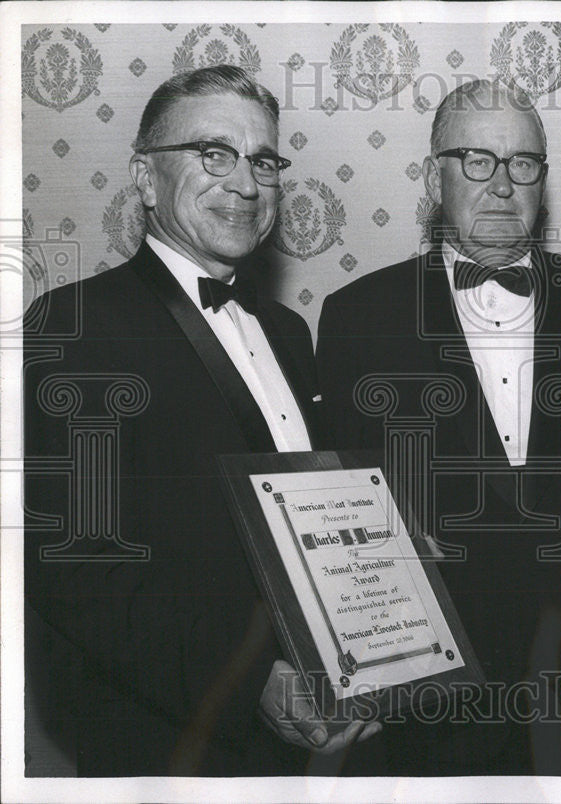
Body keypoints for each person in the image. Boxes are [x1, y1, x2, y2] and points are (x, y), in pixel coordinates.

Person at [23, 65, 378, 776]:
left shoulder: (286, 330)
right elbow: (78, 569)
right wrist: (251, 683)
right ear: (144, 178)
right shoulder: (76, 325)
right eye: (213, 154)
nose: (246, 185)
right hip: (162, 741)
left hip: (295, 735)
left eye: (264, 161)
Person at [315, 79, 561, 774]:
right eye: (477, 159)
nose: (503, 183)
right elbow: (340, 509)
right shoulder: (359, 315)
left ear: (543, 178)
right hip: (431, 702)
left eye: (523, 163)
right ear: (433, 176)